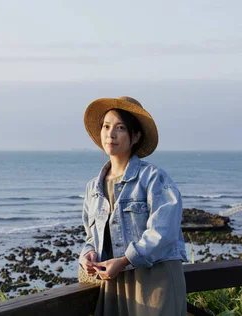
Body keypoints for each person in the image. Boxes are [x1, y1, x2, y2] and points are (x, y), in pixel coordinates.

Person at [79, 96, 188, 315]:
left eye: (120, 128)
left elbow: (163, 233)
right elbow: (91, 236)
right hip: (115, 283)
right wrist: (87, 255)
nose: (111, 134)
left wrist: (124, 260)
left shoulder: (154, 179)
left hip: (155, 280)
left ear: (135, 136)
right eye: (106, 126)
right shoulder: (93, 187)